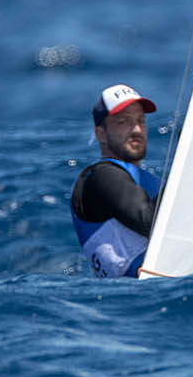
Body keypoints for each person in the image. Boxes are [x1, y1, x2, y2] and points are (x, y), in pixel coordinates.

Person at [69, 84, 162, 277]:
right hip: (145, 293)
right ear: (101, 134)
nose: (136, 129)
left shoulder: (151, 180)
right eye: (123, 122)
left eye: (141, 121)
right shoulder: (101, 176)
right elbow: (152, 221)